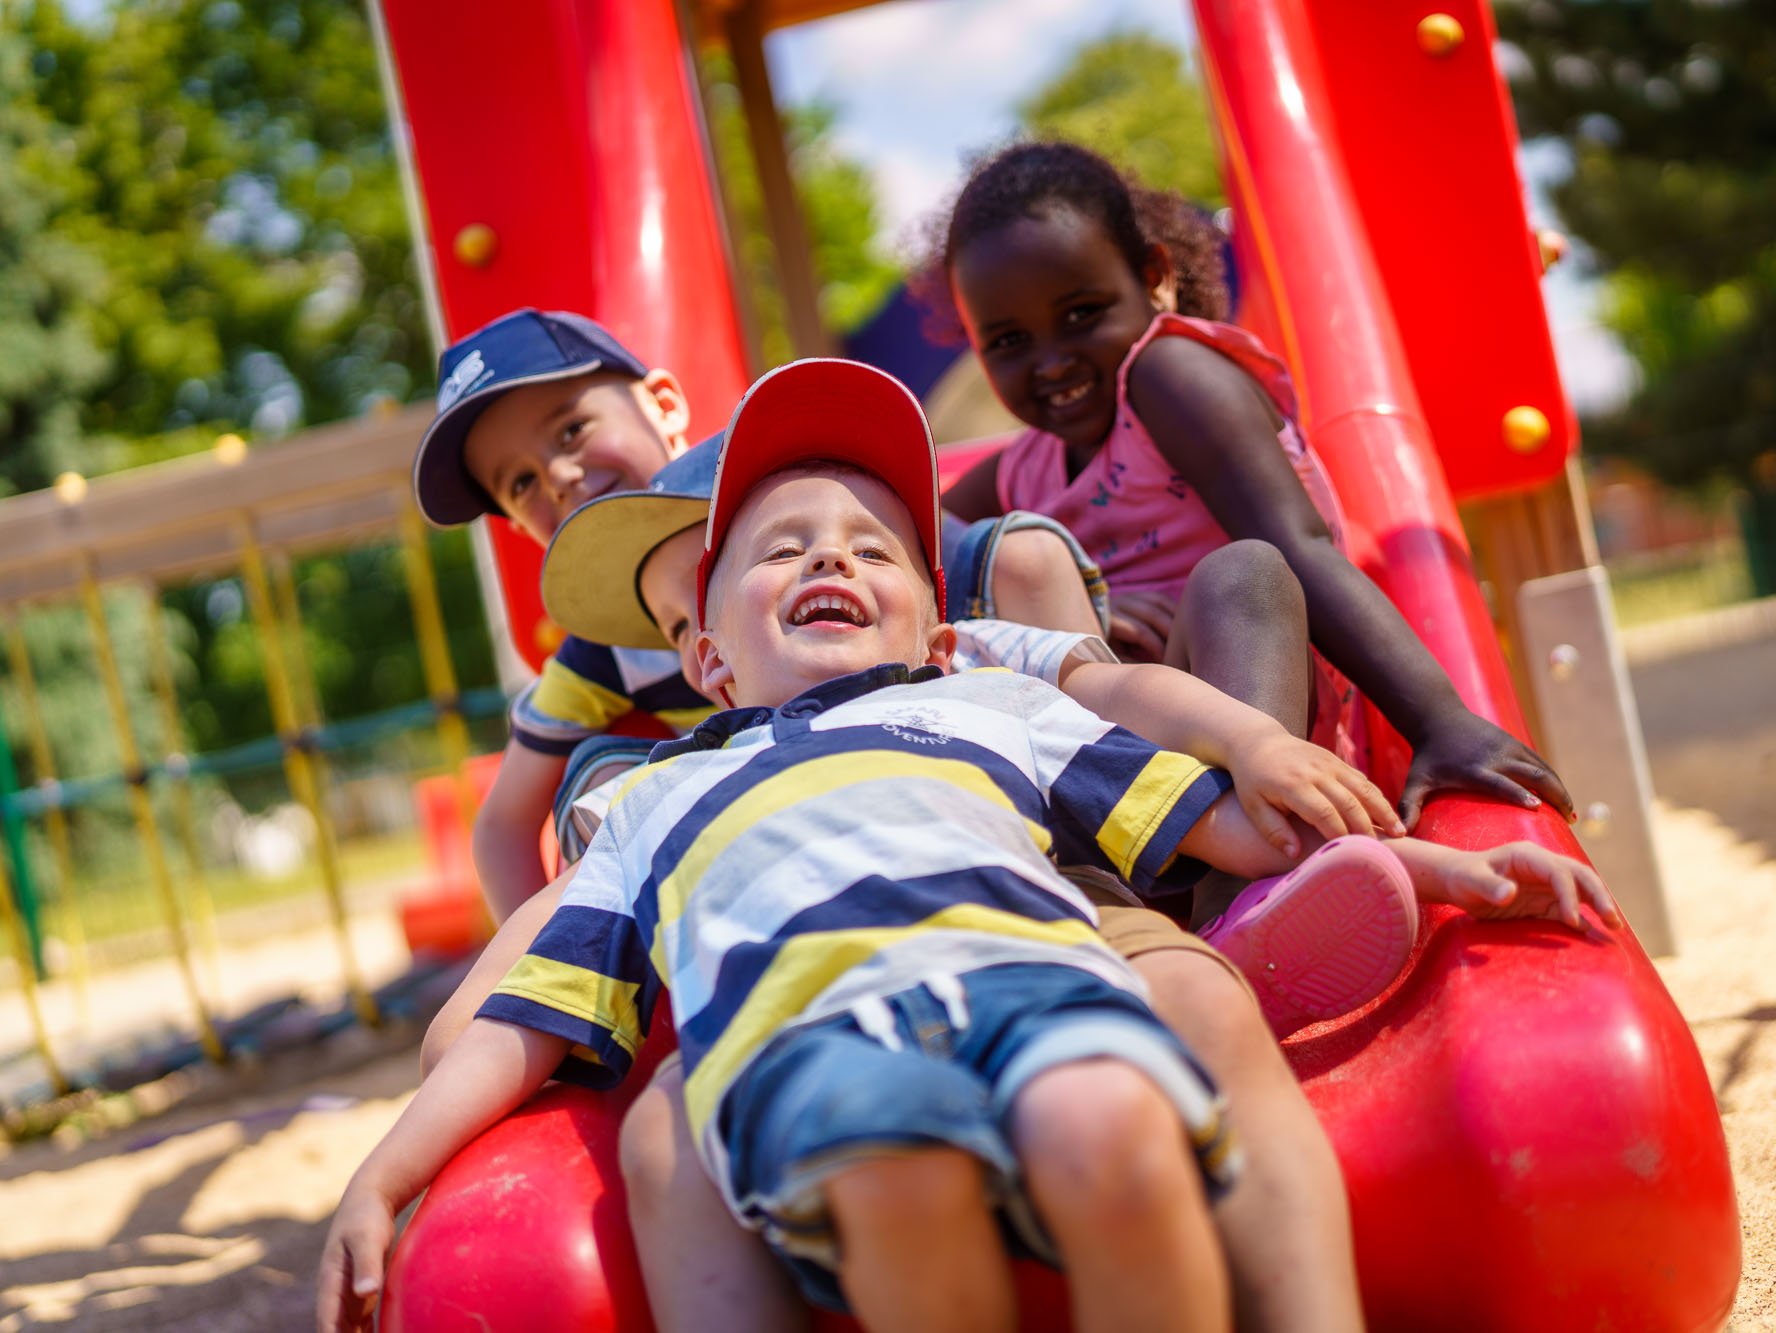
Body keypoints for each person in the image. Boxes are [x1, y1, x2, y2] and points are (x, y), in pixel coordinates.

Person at [360, 360, 1619, 1333]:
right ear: (704, 658)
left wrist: (1428, 866)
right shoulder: (653, 786)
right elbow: (529, 991)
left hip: (1032, 967)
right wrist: (393, 1161)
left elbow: (1213, 811)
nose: (828, 558)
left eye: (870, 551)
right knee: (871, 1155)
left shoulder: (979, 697)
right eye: (781, 551)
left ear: (934, 619)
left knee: (1114, 1102)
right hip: (812, 1034)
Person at [923, 141, 1577, 941]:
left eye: (1081, 313)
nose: (1053, 360)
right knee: (1012, 592)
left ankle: (1246, 886)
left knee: (1246, 571)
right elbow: (913, 532)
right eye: (1009, 341)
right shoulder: (1021, 475)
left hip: (1266, 735)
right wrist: (1086, 594)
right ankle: (1152, 902)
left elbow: (1298, 544)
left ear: (1155, 276)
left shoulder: (1169, 376)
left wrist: (1441, 721)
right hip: (1130, 787)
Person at [412, 307, 1104, 914]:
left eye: (569, 431)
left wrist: (1079, 632)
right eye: (522, 481)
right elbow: (504, 823)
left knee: (1020, 555)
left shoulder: (783, 491)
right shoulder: (606, 644)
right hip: (777, 826)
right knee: (595, 768)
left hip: (934, 747)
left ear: (663, 402)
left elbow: (933, 553)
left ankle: (1097, 836)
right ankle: (624, 960)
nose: (558, 475)